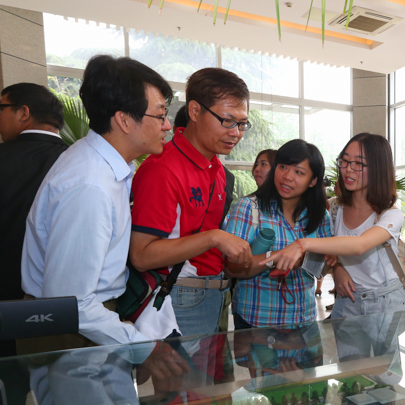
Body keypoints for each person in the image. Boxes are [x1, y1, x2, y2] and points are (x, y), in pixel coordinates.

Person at [20, 55, 175, 350]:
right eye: (160, 115)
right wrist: (142, 347)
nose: (167, 125)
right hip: (73, 331)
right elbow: (71, 303)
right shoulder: (90, 186)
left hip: (92, 319)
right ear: (124, 120)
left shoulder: (101, 163)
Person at [267, 133, 405, 372]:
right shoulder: (334, 208)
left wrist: (302, 244)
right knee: (351, 373)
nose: (348, 170)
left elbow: (359, 245)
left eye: (358, 163)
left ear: (378, 168)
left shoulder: (390, 213)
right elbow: (332, 251)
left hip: (384, 301)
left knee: (386, 373)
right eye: (345, 161)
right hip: (347, 299)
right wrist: (339, 269)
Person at [129, 68, 253, 337]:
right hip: (180, 297)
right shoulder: (163, 168)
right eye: (227, 121)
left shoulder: (216, 167)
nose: (236, 132)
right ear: (195, 111)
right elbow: (141, 256)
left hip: (212, 294)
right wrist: (214, 238)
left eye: (242, 123)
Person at [0, 82, 67, 405]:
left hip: (5, 304)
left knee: (8, 402)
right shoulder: (77, 161)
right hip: (66, 308)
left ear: (23, 112)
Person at [224, 139, 331, 329]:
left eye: (299, 172)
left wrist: (311, 260)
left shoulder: (319, 215)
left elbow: (322, 270)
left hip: (304, 320)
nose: (287, 176)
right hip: (256, 321)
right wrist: (277, 257)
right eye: (283, 167)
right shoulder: (249, 207)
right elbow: (231, 269)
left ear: (313, 181)